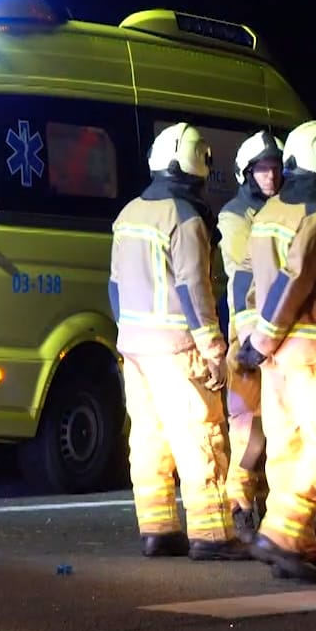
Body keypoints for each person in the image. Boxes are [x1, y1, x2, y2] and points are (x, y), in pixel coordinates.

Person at [107, 122, 246, 559]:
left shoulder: (129, 213)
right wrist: (213, 349)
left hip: (135, 347)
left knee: (149, 437)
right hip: (177, 348)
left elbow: (113, 286)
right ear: (195, 162)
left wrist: (126, 336)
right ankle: (212, 535)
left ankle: (158, 529)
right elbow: (193, 288)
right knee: (199, 435)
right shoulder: (185, 218)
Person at [238, 119, 316, 581]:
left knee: (286, 447)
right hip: (306, 348)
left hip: (273, 359)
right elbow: (298, 276)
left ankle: (298, 550)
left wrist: (254, 342)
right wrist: (267, 335)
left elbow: (247, 283)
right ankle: (283, 533)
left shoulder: (267, 213)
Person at [218, 130, 284, 541]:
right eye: (262, 168)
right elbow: (246, 277)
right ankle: (240, 505)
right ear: (247, 173)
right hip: (249, 334)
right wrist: (247, 339)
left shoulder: (279, 211)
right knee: (249, 433)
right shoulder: (235, 216)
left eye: (276, 167)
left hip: (277, 334)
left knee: (272, 430)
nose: (271, 175)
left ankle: (260, 507)